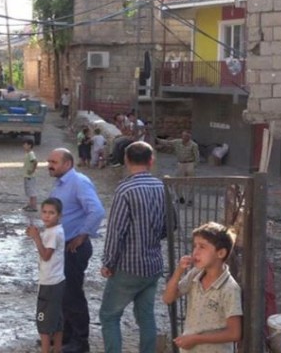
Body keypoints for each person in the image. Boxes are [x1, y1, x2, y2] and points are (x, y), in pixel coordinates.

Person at [99, 141, 167, 353]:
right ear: (151, 160)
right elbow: (170, 226)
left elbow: (115, 231)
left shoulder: (125, 190)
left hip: (128, 267)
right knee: (146, 316)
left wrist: (108, 262)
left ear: (127, 161)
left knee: (109, 315)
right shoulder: (162, 187)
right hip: (153, 265)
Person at [47, 148, 105, 353]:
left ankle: (81, 342)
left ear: (67, 164)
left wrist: (82, 235)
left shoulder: (79, 182)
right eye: (49, 161)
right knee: (62, 295)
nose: (50, 165)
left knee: (72, 295)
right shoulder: (61, 183)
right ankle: (66, 337)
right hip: (61, 247)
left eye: (54, 161)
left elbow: (97, 211)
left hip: (73, 248)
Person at [162, 222, 242, 352]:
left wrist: (196, 339)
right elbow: (168, 298)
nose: (195, 252)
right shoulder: (196, 274)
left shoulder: (229, 288)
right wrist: (178, 271)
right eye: (195, 246)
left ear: (220, 253)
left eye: (202, 247)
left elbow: (234, 333)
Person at [26, 198, 66, 353]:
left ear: (59, 215)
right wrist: (36, 235)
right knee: (56, 318)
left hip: (49, 282)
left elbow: (46, 255)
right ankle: (57, 349)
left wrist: (36, 237)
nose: (47, 216)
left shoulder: (53, 233)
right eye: (44, 212)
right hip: (58, 280)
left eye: (51, 213)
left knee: (43, 322)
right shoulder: (55, 231)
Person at [22, 139, 39, 212]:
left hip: (30, 176)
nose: (23, 146)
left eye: (25, 144)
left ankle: (34, 206)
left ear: (29, 145)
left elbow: (35, 161)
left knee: (32, 191)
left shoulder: (31, 154)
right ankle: (30, 204)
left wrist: (32, 170)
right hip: (27, 175)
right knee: (29, 191)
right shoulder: (28, 153)